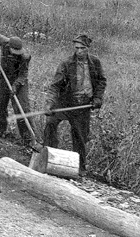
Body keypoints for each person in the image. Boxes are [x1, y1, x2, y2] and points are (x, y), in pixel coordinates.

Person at [42, 33, 106, 177]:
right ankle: (48, 158)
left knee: (80, 136)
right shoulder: (66, 63)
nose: (78, 51)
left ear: (87, 48)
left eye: (82, 48)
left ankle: (80, 168)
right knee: (51, 123)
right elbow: (55, 86)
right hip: (65, 103)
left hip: (83, 106)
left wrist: (97, 98)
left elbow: (102, 81)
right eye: (76, 48)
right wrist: (50, 104)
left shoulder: (95, 63)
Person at [0, 31, 33, 147]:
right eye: (14, 51)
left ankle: (27, 139)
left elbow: (23, 75)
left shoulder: (25, 57)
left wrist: (15, 86)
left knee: (22, 108)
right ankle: (0, 128)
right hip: (4, 77)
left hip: (19, 81)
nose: (17, 53)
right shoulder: (3, 41)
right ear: (9, 46)